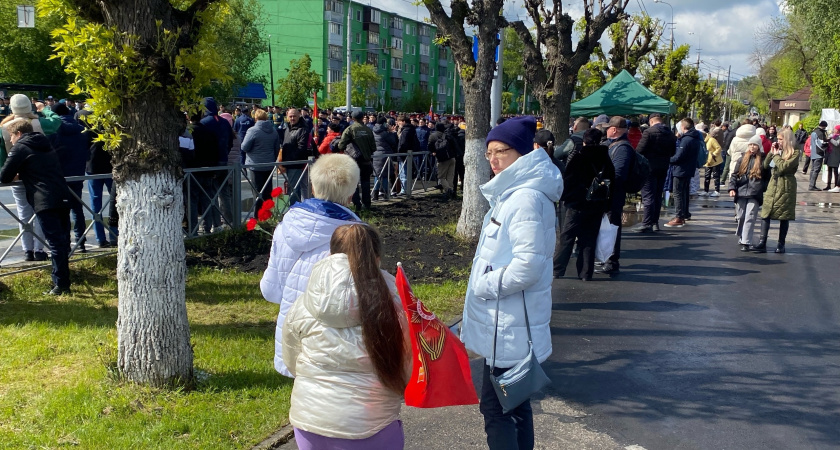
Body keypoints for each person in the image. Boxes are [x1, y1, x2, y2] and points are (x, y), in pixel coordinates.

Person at [460, 116, 562, 450]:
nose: (493, 159)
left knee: (497, 409)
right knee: (514, 404)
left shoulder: (524, 198)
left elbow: (528, 266)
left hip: (508, 325)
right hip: (506, 323)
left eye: (501, 151)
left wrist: (483, 284)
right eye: (489, 152)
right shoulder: (515, 192)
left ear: (521, 152)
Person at [282, 223, 410, 449]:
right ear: (377, 259)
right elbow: (410, 365)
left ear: (331, 256)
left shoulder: (304, 303)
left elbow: (292, 360)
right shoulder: (396, 304)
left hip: (310, 422)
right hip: (371, 424)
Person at [261, 153, 362, 377]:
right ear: (351, 194)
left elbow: (270, 290)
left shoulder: (285, 226)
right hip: (335, 339)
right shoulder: (356, 235)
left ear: (314, 188)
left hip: (292, 332)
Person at [0, 120, 72, 294]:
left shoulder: (20, 147)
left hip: (44, 199)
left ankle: (61, 285)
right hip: (62, 194)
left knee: (55, 243)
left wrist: (19, 173)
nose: (10, 141)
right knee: (63, 241)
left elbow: (4, 176)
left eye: (11, 137)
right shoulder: (45, 142)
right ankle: (63, 281)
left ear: (18, 134)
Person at [0, 94, 61, 261]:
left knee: (23, 213)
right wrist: (44, 109)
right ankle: (39, 249)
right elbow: (56, 122)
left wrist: (7, 172)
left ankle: (27, 250)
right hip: (38, 175)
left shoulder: (4, 127)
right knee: (39, 212)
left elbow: (1, 157)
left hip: (16, 175)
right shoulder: (38, 123)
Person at [554, 128, 615, 281]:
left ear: (584, 141)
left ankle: (557, 269)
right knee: (589, 239)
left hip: (577, 204)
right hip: (597, 204)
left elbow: (569, 181)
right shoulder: (606, 158)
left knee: (567, 237)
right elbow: (612, 182)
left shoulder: (579, 157)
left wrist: (566, 199)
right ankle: (585, 272)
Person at [49, 103, 90, 252]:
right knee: (77, 209)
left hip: (60, 174)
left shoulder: (55, 130)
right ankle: (81, 241)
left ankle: (65, 243)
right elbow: (86, 152)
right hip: (77, 173)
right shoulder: (81, 129)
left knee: (62, 210)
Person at [597, 116, 633, 275]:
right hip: (611, 193)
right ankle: (607, 258)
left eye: (607, 128)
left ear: (614, 129)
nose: (605, 131)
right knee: (608, 227)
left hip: (614, 194)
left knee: (612, 227)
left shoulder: (623, 148)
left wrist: (603, 182)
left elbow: (618, 174)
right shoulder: (616, 145)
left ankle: (611, 261)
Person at [754, 129, 799, 253]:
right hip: (773, 184)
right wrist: (771, 152)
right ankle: (762, 242)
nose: (778, 141)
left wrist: (776, 155)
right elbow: (765, 165)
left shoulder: (795, 152)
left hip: (786, 185)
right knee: (766, 213)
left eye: (780, 139)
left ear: (787, 140)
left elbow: (784, 167)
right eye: (777, 139)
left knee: (784, 215)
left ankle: (781, 244)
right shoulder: (777, 151)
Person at [632, 113, 676, 232]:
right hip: (663, 167)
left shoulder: (648, 132)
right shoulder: (670, 134)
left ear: (651, 121)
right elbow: (673, 152)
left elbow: (639, 150)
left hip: (649, 168)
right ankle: (655, 222)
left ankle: (646, 223)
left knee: (648, 196)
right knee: (657, 195)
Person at [729, 135, 769, 251]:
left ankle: (746, 242)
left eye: (754, 145)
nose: (752, 147)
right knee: (741, 216)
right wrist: (732, 188)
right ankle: (742, 236)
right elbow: (734, 175)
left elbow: (767, 177)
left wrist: (762, 187)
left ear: (759, 146)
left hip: (755, 192)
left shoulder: (763, 159)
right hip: (741, 191)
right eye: (750, 144)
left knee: (750, 216)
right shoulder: (742, 158)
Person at [664, 118, 703, 228]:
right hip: (689, 169)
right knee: (684, 192)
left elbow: (679, 156)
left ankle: (679, 217)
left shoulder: (686, 139)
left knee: (678, 193)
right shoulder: (695, 138)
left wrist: (667, 160)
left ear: (683, 127)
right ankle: (684, 213)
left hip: (681, 169)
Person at [336, 110, 376, 212]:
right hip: (366, 161)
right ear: (363, 117)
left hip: (353, 161)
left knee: (353, 184)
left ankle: (357, 205)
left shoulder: (350, 129)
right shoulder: (368, 130)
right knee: (366, 182)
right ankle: (367, 205)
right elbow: (373, 147)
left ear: (353, 118)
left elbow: (341, 145)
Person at [242, 109, 281, 212]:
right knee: (268, 192)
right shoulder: (273, 131)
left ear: (255, 118)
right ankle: (269, 214)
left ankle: (258, 216)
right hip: (269, 164)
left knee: (257, 192)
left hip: (255, 165)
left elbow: (244, 147)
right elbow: (277, 148)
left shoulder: (252, 130)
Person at [281, 108, 313, 205]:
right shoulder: (288, 128)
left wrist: (290, 160)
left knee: (294, 190)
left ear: (299, 115)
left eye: (294, 116)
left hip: (295, 164)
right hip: (288, 163)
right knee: (292, 188)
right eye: (290, 116)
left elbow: (301, 149)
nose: (292, 118)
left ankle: (295, 209)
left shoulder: (302, 130)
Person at [428, 121, 458, 201]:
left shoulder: (433, 136)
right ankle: (451, 192)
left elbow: (430, 146)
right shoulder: (447, 134)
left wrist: (433, 152)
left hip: (442, 159)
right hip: (452, 157)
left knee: (441, 177)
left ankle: (449, 191)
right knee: (450, 176)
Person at [372, 117, 397, 201]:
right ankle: (385, 193)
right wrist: (392, 133)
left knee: (377, 174)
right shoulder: (385, 133)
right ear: (383, 123)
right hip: (385, 154)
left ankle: (375, 194)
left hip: (376, 154)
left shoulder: (373, 131)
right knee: (385, 175)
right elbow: (393, 142)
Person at [699, 124, 724, 197]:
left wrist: (714, 154)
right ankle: (706, 190)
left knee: (716, 176)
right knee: (707, 176)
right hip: (708, 161)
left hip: (715, 161)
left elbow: (718, 148)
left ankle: (717, 191)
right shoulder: (705, 141)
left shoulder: (712, 140)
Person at [808, 121, 829, 191]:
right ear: (824, 126)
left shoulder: (814, 132)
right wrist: (827, 143)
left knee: (813, 169)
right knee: (816, 170)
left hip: (813, 153)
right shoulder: (820, 133)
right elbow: (821, 144)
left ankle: (811, 184)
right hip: (818, 154)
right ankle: (812, 186)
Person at [824, 125, 840, 192]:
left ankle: (836, 185)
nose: (834, 130)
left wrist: (830, 139)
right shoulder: (833, 136)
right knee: (829, 171)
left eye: (835, 129)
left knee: (835, 172)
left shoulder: (838, 137)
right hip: (830, 155)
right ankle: (828, 185)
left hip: (836, 156)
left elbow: (837, 144)